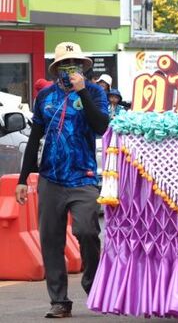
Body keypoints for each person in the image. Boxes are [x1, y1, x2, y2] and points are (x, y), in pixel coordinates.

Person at [15, 42, 109, 319]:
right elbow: (35, 138)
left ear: (83, 67)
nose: (71, 69)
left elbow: (102, 126)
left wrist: (82, 92)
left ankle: (92, 283)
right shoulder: (45, 97)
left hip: (83, 176)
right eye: (65, 65)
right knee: (51, 239)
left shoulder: (95, 92)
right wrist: (23, 178)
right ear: (56, 69)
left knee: (87, 231)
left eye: (75, 64)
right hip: (51, 178)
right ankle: (59, 301)